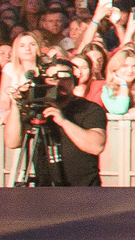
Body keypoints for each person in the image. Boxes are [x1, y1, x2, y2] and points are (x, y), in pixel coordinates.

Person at [24, 56, 109, 186]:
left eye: (65, 79)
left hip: (84, 191)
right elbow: (12, 142)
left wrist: (63, 121)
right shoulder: (37, 109)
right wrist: (16, 104)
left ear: (74, 81)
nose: (58, 83)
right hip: (45, 192)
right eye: (53, 79)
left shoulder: (90, 108)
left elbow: (96, 147)